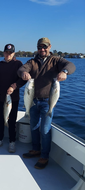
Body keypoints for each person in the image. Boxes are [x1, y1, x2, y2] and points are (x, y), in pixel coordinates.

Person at [17, 37, 76, 169]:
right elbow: (21, 69)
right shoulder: (32, 61)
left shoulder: (56, 60)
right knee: (33, 127)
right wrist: (24, 73)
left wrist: (65, 71)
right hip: (33, 101)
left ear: (49, 47)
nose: (42, 49)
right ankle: (36, 149)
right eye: (39, 47)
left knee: (44, 129)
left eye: (44, 47)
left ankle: (44, 156)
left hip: (47, 102)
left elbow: (71, 65)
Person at [0, 44, 26, 153]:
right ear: (4, 53)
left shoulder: (18, 64)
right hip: (0, 98)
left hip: (13, 99)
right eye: (6, 52)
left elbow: (23, 79)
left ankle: (12, 141)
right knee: (0, 119)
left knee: (12, 121)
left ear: (14, 53)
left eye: (10, 53)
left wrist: (14, 86)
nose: (8, 55)